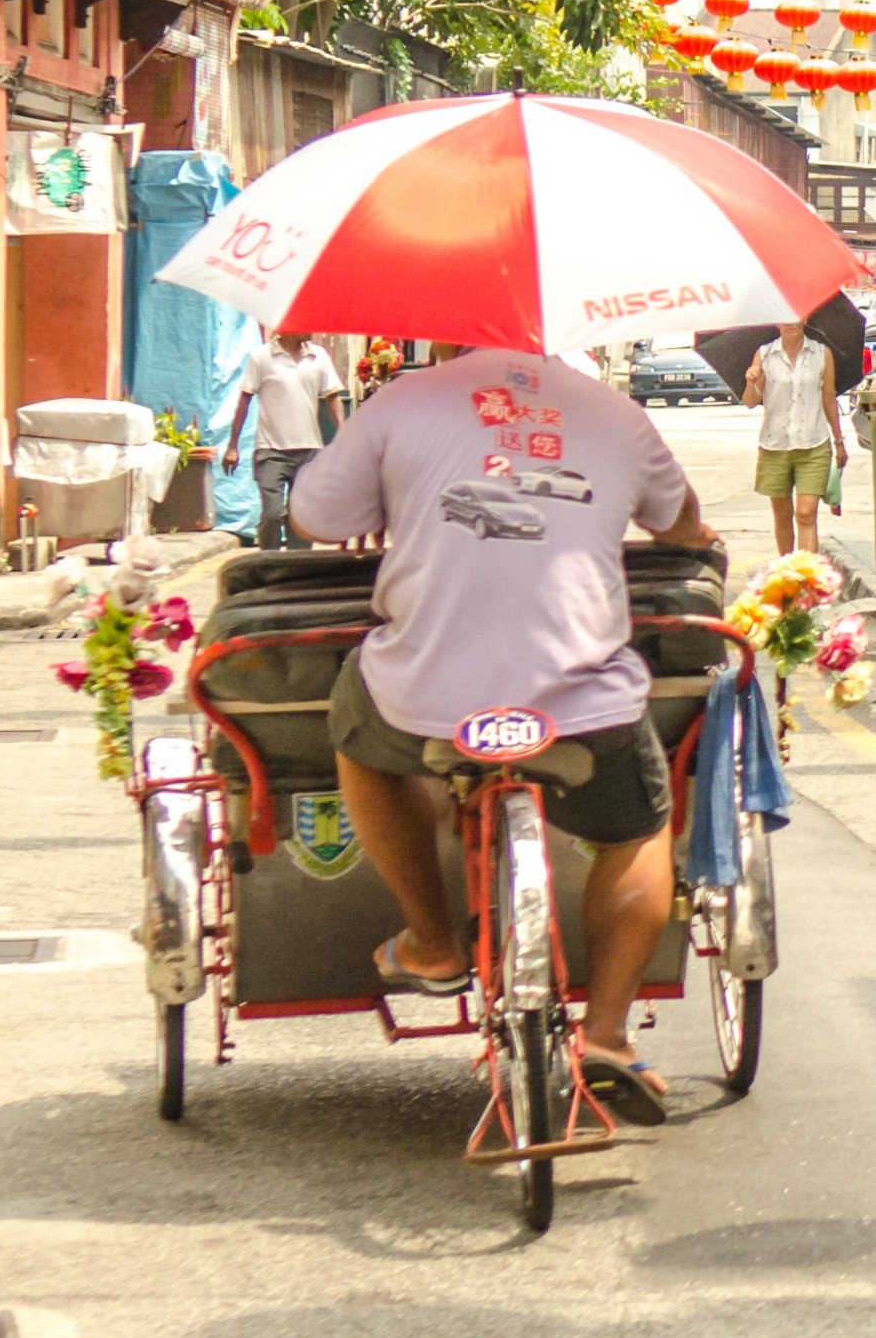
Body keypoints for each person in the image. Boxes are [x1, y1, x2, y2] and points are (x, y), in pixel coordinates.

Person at [290, 343, 714, 1123]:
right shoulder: (614, 412)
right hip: (580, 703)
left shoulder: (399, 402)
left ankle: (432, 941)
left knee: (356, 731)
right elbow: (680, 521)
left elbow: (313, 518)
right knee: (640, 825)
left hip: (423, 697)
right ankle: (610, 1038)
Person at [217, 330, 347, 546]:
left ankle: (298, 564)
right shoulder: (261, 357)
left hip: (309, 451)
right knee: (272, 513)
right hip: (270, 451)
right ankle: (269, 561)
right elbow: (244, 401)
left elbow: (333, 397)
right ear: (290, 326)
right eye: (306, 323)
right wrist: (233, 446)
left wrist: (345, 436)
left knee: (302, 515)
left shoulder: (318, 356)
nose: (312, 330)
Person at [741, 314, 844, 558]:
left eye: (795, 317)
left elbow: (828, 398)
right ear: (775, 322)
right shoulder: (765, 354)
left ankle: (807, 580)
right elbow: (749, 401)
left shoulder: (821, 354)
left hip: (814, 444)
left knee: (806, 514)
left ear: (805, 318)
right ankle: (788, 573)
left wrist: (839, 441)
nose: (790, 323)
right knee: (783, 515)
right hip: (774, 446)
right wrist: (753, 381)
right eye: (783, 318)